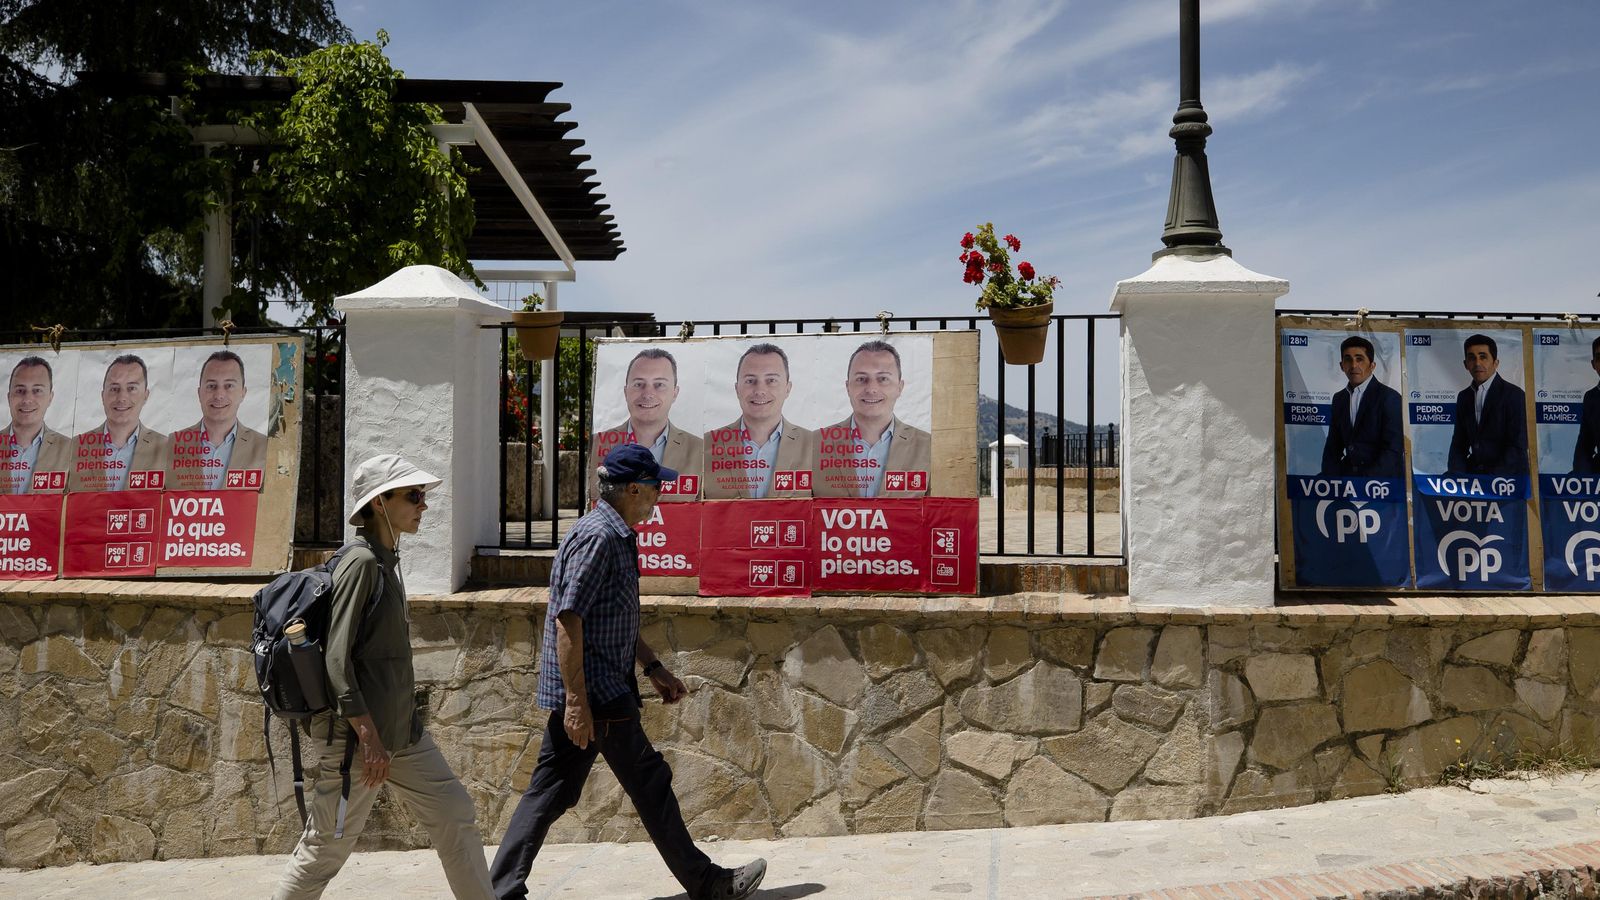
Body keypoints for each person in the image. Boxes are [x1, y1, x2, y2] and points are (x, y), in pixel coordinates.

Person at [491, 443, 767, 900]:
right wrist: (576, 702)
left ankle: (498, 890)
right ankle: (708, 884)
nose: (661, 494)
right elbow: (568, 620)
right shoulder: (598, 538)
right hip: (598, 692)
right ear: (634, 489)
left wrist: (653, 666)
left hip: (598, 687)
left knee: (551, 790)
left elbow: (611, 617)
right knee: (650, 783)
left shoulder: (615, 534)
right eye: (656, 486)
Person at [274, 454, 495, 899]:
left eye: (422, 495)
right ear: (379, 502)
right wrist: (368, 735)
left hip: (401, 734)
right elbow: (337, 659)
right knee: (325, 849)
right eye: (413, 496)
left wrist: (393, 730)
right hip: (358, 739)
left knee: (454, 813)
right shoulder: (361, 563)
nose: (423, 505)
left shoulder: (386, 560)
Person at [814, 339, 933, 497]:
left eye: (883, 379)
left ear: (900, 387)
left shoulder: (929, 448)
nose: (871, 389)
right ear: (848, 387)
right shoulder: (812, 445)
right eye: (861, 379)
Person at [703, 343, 817, 499]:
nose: (760, 391)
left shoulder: (815, 446)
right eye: (750, 381)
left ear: (788, 388)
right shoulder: (705, 447)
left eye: (771, 380)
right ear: (737, 389)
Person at [589, 348, 704, 501]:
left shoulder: (699, 450)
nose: (648, 394)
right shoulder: (595, 444)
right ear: (626, 392)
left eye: (659, 384)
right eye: (639, 384)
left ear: (675, 393)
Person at [166, 349, 269, 491]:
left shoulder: (265, 448)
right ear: (199, 393)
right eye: (211, 386)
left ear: (243, 393)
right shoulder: (168, 445)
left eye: (229, 386)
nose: (219, 395)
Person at [68, 353, 169, 491]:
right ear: (102, 396)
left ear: (146, 395)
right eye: (114, 389)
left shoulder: (167, 449)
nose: (122, 398)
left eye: (131, 388)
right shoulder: (72, 448)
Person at [1318, 336, 1404, 477]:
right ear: (1341, 365)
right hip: (1350, 476)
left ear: (1372, 365)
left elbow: (1393, 451)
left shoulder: (1390, 398)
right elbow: (1333, 447)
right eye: (1348, 359)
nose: (1353, 365)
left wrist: (1363, 483)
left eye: (1359, 359)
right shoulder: (1339, 399)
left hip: (1384, 480)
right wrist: (1329, 479)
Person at [1446, 333, 1528, 477]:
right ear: (1465, 364)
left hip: (1508, 477)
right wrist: (1457, 476)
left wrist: (1488, 480)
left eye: (1483, 357)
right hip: (1475, 475)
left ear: (1495, 363)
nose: (1477, 363)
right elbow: (1459, 444)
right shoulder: (1464, 397)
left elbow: (1517, 447)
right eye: (1472, 358)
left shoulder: (1515, 395)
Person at [0, 356, 73, 494]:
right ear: (9, 397)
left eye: (37, 390)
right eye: (20, 390)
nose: (27, 399)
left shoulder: (70, 450)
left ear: (50, 398)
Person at [1572, 336, 1600, 473]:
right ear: (1593, 364)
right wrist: (1581, 478)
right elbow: (1585, 443)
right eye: (1599, 358)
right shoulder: (1591, 397)